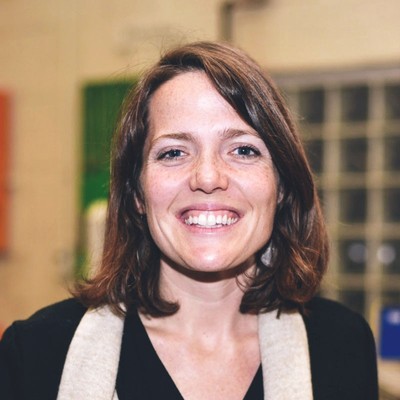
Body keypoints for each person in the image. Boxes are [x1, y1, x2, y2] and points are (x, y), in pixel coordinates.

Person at [0, 41, 378, 400]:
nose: (208, 178)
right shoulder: (37, 353)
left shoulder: (341, 345)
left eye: (243, 149)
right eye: (174, 153)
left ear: (281, 185)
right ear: (136, 194)